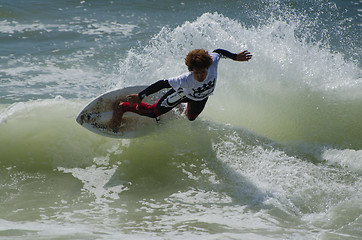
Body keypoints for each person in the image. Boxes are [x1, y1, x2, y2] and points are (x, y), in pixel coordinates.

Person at [110, 48, 252, 131]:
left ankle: (178, 107)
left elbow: (218, 52)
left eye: (203, 72)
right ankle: (123, 107)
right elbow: (162, 83)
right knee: (154, 113)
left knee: (190, 118)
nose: (201, 76)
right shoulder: (185, 79)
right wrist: (141, 96)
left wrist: (234, 57)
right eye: (197, 73)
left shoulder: (212, 64)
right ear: (191, 70)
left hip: (199, 98)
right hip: (182, 93)